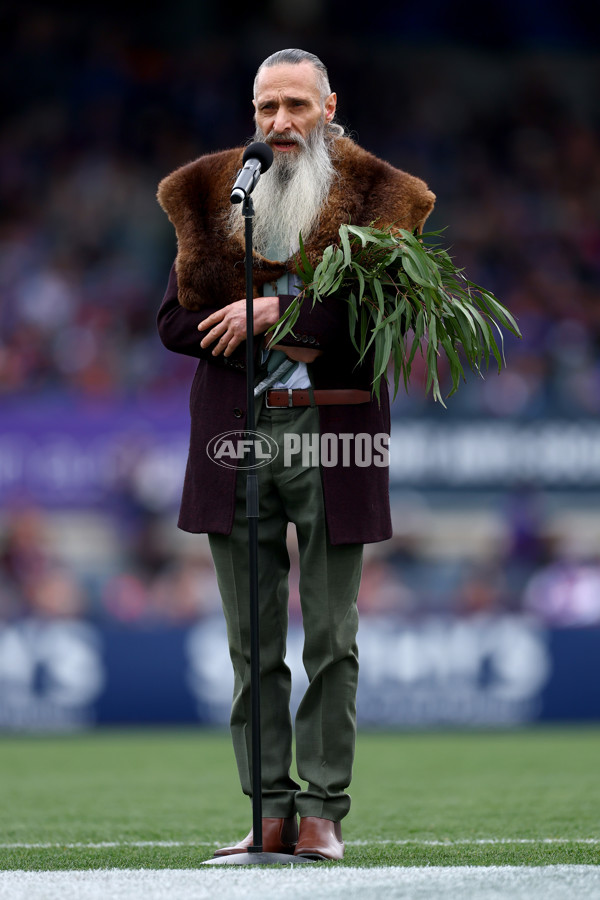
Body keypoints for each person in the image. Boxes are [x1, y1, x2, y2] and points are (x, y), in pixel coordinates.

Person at [157, 48, 435, 861]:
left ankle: (322, 811)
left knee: (330, 637)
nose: (280, 123)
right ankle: (268, 812)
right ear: (252, 111)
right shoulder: (214, 190)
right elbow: (174, 323)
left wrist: (276, 312)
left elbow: (388, 316)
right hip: (234, 436)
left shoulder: (386, 197)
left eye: (297, 107)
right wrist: (249, 317)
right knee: (250, 642)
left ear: (329, 106)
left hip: (332, 434)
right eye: (267, 107)